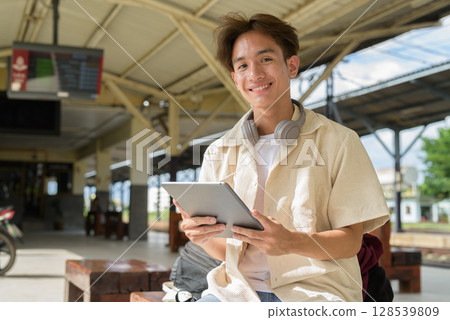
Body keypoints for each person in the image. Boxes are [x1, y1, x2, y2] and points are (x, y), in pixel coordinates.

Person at [175, 12, 389, 302]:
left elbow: (351, 241)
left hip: (315, 293)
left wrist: (291, 242)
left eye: (265, 59)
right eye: (242, 65)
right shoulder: (219, 151)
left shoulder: (340, 141)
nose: (255, 74)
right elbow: (229, 253)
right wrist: (200, 237)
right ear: (235, 78)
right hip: (236, 293)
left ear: (292, 65)